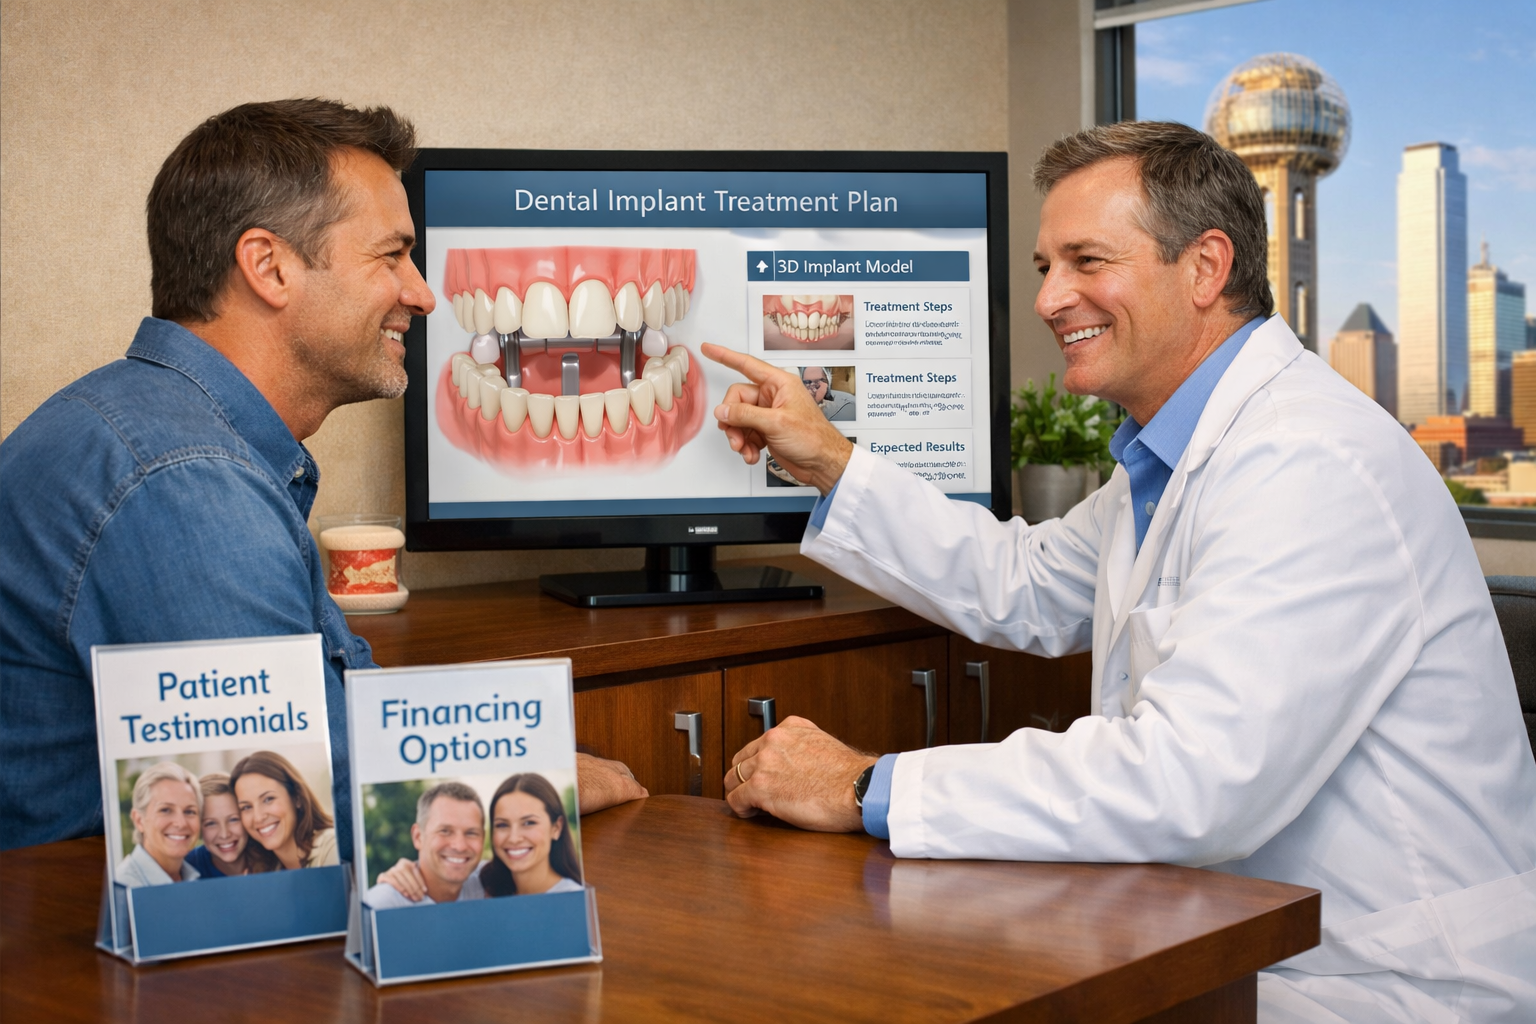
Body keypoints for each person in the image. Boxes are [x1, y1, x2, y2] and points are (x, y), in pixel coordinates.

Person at [704, 121, 1536, 1022]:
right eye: (1043, 267)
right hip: (1247, 943)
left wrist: (868, 784)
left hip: (1382, 985)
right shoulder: (1172, 456)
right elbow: (1022, 581)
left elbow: (1194, 779)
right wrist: (828, 458)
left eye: (1085, 261)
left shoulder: (1310, 460)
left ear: (1206, 268)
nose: (1050, 298)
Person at [0, 99, 646, 853]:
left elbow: (336, 717)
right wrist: (549, 782)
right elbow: (300, 811)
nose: (423, 293)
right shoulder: (183, 486)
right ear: (269, 266)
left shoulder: (158, 434)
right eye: (391, 256)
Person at [365, 781, 488, 909]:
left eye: (471, 833)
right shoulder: (380, 905)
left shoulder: (489, 881)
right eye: (445, 831)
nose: (460, 846)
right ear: (418, 837)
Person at [478, 774, 583, 897]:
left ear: (556, 828)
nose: (514, 838)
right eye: (502, 825)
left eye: (529, 823)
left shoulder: (573, 900)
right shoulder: (479, 884)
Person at [231, 750, 336, 871]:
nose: (258, 817)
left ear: (297, 797)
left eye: (268, 799)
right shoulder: (261, 870)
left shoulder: (332, 848)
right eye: (246, 807)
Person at [115, 762, 201, 888]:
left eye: (189, 811)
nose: (181, 823)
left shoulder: (198, 877)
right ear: (139, 820)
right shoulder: (124, 885)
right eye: (165, 810)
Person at [184, 773, 250, 879]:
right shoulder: (187, 867)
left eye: (233, 819)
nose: (224, 834)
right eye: (211, 823)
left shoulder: (272, 858)